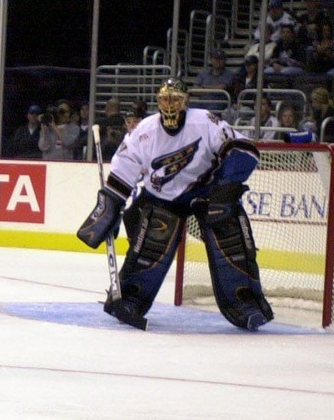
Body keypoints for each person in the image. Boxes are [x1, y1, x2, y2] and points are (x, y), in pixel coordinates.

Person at [77, 79, 270, 331]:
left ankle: (246, 303)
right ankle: (131, 298)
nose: (169, 105)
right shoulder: (144, 131)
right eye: (165, 99)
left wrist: (226, 191)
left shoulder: (204, 121)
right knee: (151, 245)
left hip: (207, 194)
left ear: (185, 101)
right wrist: (110, 205)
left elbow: (243, 149)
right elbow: (123, 172)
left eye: (175, 99)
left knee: (228, 233)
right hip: (162, 199)